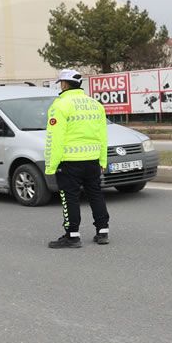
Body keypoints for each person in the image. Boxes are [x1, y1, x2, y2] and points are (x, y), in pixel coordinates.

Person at [44, 69, 109, 248]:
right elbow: (103, 136)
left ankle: (72, 236)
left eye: (61, 83)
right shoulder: (95, 104)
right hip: (93, 160)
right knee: (95, 194)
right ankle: (102, 231)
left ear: (64, 84)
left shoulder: (60, 105)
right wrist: (103, 160)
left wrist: (50, 165)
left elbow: (54, 139)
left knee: (70, 197)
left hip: (69, 161)